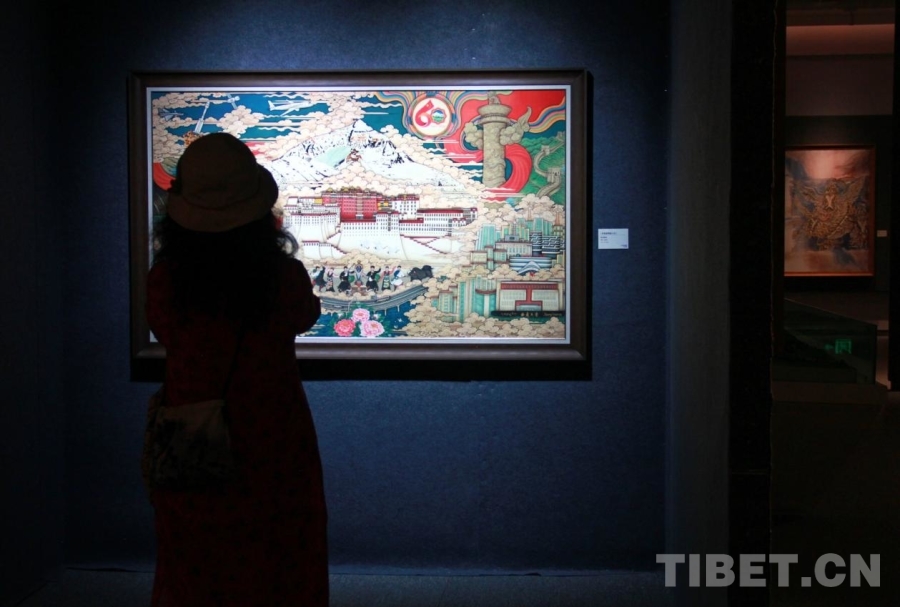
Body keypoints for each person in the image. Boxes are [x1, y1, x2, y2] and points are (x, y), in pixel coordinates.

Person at [146, 132, 328, 607]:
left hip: (193, 431)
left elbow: (165, 329)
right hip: (273, 431)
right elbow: (305, 314)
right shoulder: (283, 279)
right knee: (281, 556)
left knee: (196, 559)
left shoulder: (165, 281)